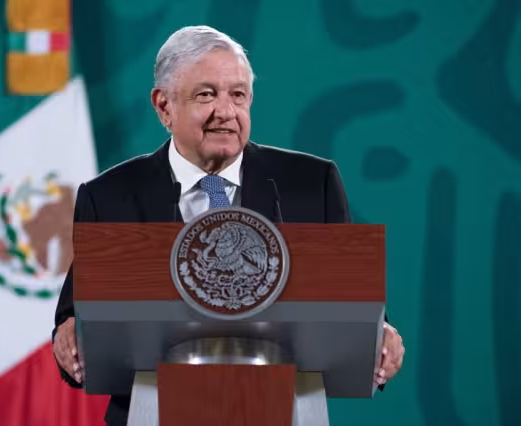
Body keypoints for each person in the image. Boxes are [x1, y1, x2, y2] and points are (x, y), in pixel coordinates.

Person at [53, 25, 405, 426]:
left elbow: (348, 305)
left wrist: (382, 337)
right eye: (206, 95)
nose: (225, 111)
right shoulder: (109, 196)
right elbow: (75, 321)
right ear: (164, 106)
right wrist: (69, 339)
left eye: (237, 95)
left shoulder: (311, 183)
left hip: (286, 411)